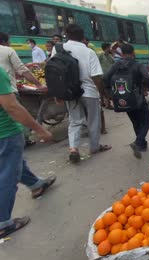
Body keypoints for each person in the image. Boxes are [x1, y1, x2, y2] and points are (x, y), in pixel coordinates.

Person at [0, 67, 56, 239]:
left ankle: (36, 185)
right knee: (9, 175)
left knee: (15, 164)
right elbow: (11, 106)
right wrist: (39, 129)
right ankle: (3, 223)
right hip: (5, 132)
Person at [51, 24, 111, 163]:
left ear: (66, 34)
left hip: (70, 91)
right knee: (93, 120)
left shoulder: (58, 48)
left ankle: (73, 149)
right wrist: (101, 94)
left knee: (75, 121)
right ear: (82, 37)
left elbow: (55, 72)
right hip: (89, 91)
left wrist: (58, 93)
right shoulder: (89, 52)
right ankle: (94, 147)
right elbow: (96, 76)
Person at [104, 44, 149, 159]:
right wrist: (145, 88)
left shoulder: (116, 65)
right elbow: (147, 77)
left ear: (122, 53)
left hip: (122, 100)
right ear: (133, 53)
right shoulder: (137, 65)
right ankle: (138, 142)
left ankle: (142, 144)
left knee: (136, 122)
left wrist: (111, 93)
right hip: (137, 98)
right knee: (146, 120)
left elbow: (105, 77)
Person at [0, 32, 45, 147]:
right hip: (8, 91)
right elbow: (22, 70)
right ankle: (24, 139)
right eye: (9, 41)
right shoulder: (7, 50)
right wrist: (38, 84)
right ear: (5, 41)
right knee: (16, 115)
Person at [98, 42, 115, 110]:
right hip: (103, 74)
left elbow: (113, 63)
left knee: (105, 89)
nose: (110, 48)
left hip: (109, 75)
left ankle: (105, 103)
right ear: (106, 48)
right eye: (109, 47)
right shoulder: (101, 54)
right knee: (105, 90)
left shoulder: (109, 55)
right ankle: (107, 104)